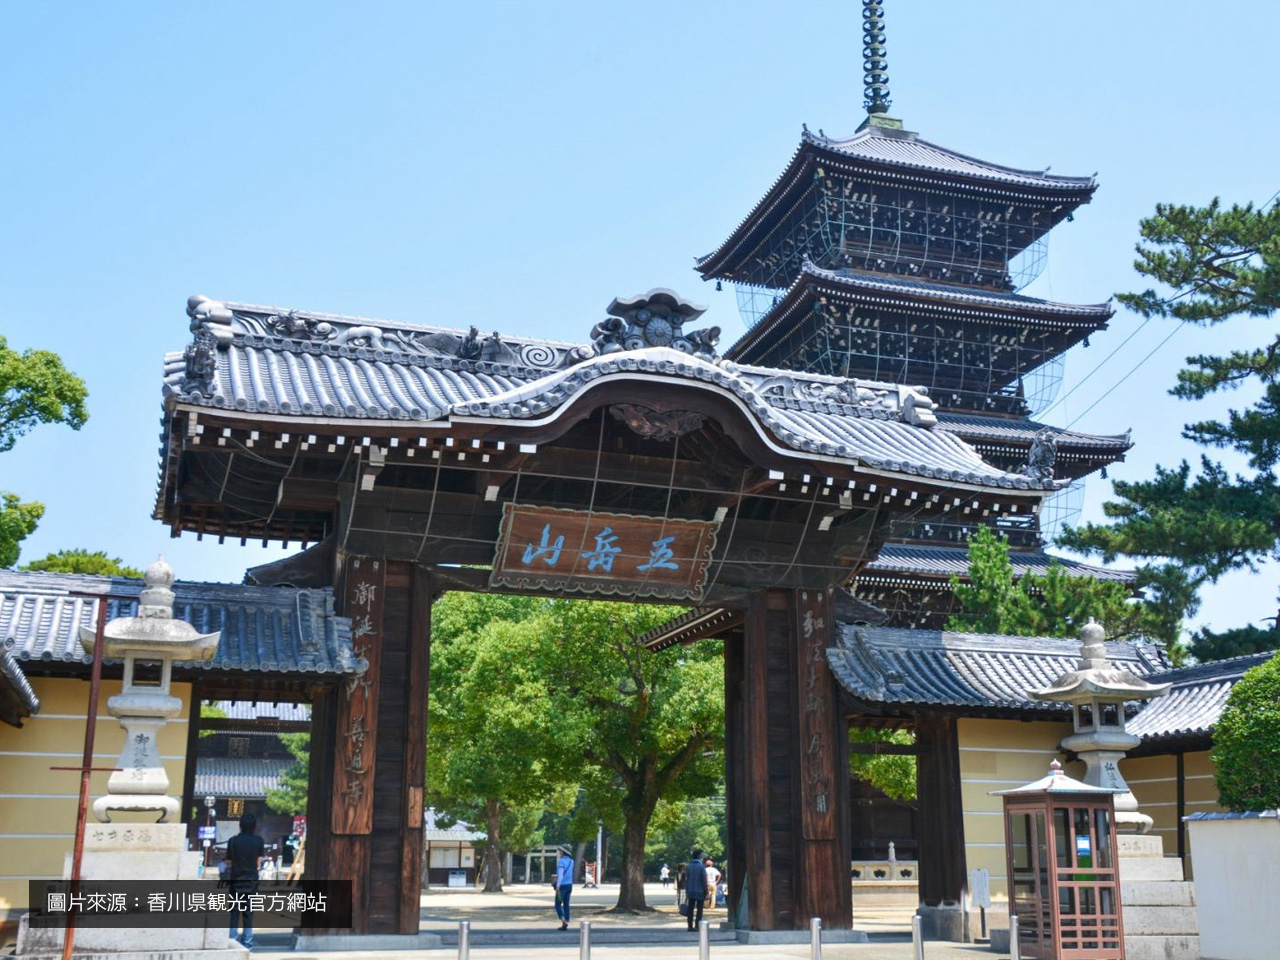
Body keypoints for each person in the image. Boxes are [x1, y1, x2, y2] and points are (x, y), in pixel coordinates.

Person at [227, 813, 265, 949]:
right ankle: (247, 943)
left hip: (236, 880)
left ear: (240, 825)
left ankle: (232, 941)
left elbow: (229, 862)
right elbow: (258, 863)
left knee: (234, 911)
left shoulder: (232, 841)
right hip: (252, 881)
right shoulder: (259, 841)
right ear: (254, 826)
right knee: (248, 912)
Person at [684, 848, 707, 932]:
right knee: (699, 910)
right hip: (700, 891)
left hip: (690, 890)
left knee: (690, 909)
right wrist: (706, 891)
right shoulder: (701, 867)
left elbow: (686, 879)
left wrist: (687, 890)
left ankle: (689, 926)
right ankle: (697, 926)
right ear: (700, 856)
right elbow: (704, 880)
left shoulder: (689, 866)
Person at [553, 845, 574, 930]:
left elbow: (560, 875)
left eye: (560, 851)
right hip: (569, 885)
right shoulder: (571, 861)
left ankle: (563, 921)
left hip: (562, 887)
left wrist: (557, 886)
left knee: (558, 904)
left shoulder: (561, 861)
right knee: (566, 904)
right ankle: (567, 920)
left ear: (563, 852)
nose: (559, 852)